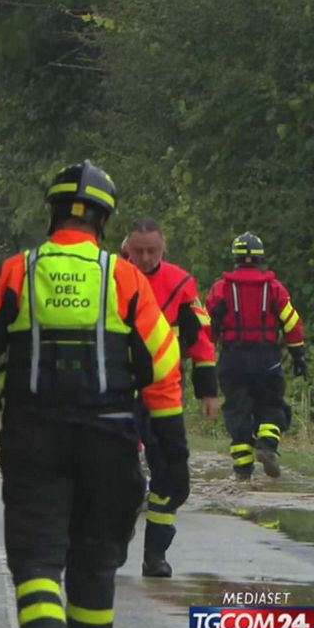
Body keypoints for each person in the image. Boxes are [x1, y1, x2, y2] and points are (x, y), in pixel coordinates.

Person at [0, 160, 186, 628]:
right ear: (104, 222)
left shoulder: (17, 271)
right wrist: (175, 454)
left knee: (36, 560)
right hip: (110, 443)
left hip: (33, 439)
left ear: (52, 213)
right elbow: (163, 370)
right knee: (95, 568)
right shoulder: (124, 278)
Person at [122, 218, 218, 578]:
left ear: (163, 248)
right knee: (119, 476)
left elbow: (200, 340)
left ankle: (155, 555)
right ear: (128, 249)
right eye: (139, 251)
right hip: (118, 392)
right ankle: (117, 536)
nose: (146, 258)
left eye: (152, 250)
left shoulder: (180, 283)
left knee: (173, 477)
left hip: (164, 394)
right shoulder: (111, 278)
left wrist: (208, 391)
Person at [206, 231, 306, 481]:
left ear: (235, 259)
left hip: (233, 360)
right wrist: (298, 354)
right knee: (271, 405)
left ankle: (242, 471)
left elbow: (208, 328)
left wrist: (204, 361)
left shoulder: (220, 290)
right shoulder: (274, 289)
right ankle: (268, 447)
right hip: (267, 359)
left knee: (237, 411)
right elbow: (292, 323)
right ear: (261, 259)